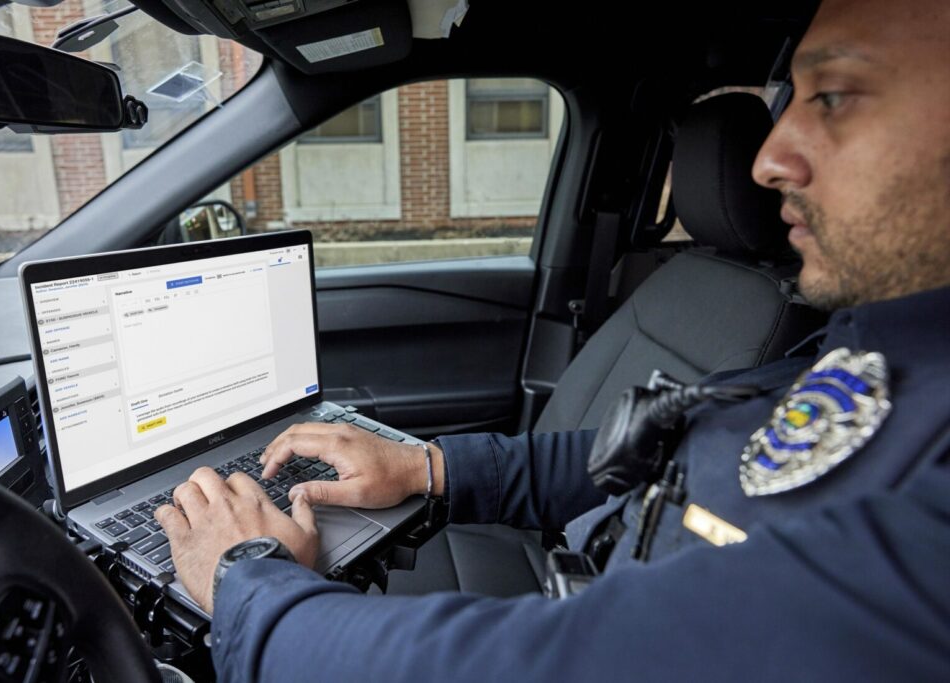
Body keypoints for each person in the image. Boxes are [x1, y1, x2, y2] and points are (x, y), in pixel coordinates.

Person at [155, 0, 950, 678]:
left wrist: (248, 584)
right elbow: (646, 446)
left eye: (837, 96)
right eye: (792, 98)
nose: (770, 156)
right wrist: (430, 466)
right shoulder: (865, 348)